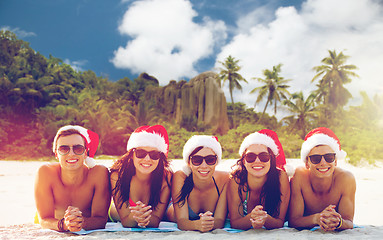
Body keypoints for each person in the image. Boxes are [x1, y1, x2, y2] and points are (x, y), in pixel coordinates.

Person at [34, 125, 111, 232]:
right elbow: (44, 220)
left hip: (93, 217)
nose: (71, 154)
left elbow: (101, 220)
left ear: (85, 153)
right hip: (57, 221)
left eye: (78, 148)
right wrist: (64, 224)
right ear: (56, 154)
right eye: (64, 148)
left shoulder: (98, 173)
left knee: (114, 212)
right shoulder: (45, 173)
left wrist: (82, 222)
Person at [288, 127, 356, 231]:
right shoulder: (300, 177)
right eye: (315, 158)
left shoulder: (346, 179)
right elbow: (293, 221)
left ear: (336, 161)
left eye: (329, 157)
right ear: (307, 163)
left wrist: (338, 222)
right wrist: (317, 218)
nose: (323, 163)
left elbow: (349, 221)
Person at [109, 125, 172, 228]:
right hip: (116, 213)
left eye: (154, 154)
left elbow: (155, 222)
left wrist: (142, 218)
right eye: (141, 153)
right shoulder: (117, 176)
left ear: (160, 158)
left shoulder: (166, 178)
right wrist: (134, 217)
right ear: (131, 154)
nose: (147, 159)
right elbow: (126, 221)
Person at [227, 129, 290, 230]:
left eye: (264, 156)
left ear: (271, 159)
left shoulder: (280, 177)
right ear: (243, 161)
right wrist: (251, 218)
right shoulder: (236, 179)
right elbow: (235, 222)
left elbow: (279, 222)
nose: (257, 161)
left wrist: (265, 219)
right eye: (250, 156)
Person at [171, 135, 229, 232]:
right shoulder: (180, 177)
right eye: (197, 160)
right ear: (189, 163)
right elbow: (181, 222)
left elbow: (219, 221)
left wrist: (205, 223)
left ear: (216, 162)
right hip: (172, 210)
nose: (204, 166)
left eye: (210, 159)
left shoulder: (225, 179)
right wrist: (197, 224)